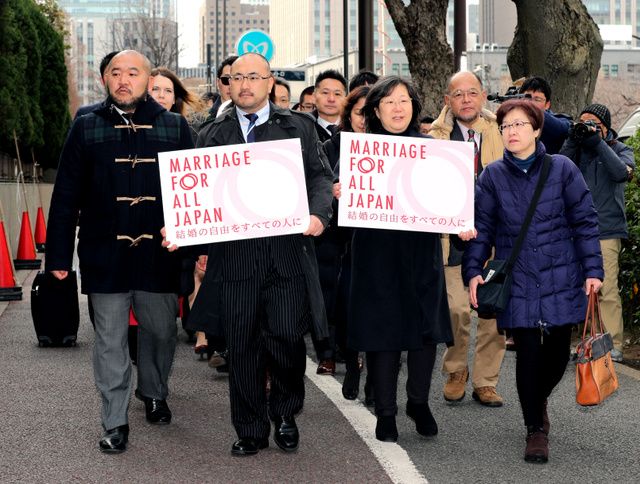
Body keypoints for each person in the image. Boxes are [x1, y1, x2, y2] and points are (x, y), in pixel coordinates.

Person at [171, 53, 334, 457]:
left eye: (253, 77)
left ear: (269, 82)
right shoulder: (212, 133)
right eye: (236, 77)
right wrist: (181, 230)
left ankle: (286, 412)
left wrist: (318, 215)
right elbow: (197, 193)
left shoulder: (297, 127)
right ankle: (249, 427)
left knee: (286, 340)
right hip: (236, 258)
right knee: (242, 344)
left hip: (286, 255)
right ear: (228, 83)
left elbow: (320, 177)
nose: (244, 84)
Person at [46, 50, 194, 454]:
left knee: (162, 331)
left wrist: (193, 241)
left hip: (159, 254)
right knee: (109, 339)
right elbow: (65, 196)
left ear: (149, 79)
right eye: (116, 73)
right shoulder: (86, 125)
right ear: (104, 80)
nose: (124, 79)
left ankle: (154, 389)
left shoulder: (174, 126)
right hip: (103, 253)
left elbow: (195, 190)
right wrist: (58, 259)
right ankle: (114, 420)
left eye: (133, 72)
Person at [462, 98, 603, 463]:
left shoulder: (563, 169)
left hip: (561, 272)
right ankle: (535, 430)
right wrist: (474, 271)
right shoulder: (492, 176)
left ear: (538, 130)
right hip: (518, 276)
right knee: (526, 351)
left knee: (557, 354)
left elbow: (584, 222)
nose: (512, 132)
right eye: (506, 126)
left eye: (521, 125)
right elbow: (482, 229)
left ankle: (537, 399)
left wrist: (593, 271)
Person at [345, 76, 453, 443]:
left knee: (426, 332)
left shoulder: (433, 150)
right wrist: (339, 192)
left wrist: (462, 218)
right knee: (383, 333)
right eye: (389, 102)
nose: (397, 108)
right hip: (375, 253)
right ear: (375, 110)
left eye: (404, 101)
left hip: (421, 252)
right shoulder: (360, 151)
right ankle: (386, 412)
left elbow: (450, 198)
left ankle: (418, 402)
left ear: (414, 107)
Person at [429, 71, 506, 407]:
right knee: (456, 309)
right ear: (448, 100)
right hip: (451, 237)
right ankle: (456, 370)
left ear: (483, 96)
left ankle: (486, 381)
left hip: (493, 235)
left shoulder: (502, 131)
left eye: (471, 93)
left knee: (491, 309)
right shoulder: (433, 138)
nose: (465, 100)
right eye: (457, 94)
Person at [560, 103, 635, 362]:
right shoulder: (576, 150)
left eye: (593, 123)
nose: (587, 127)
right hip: (575, 230)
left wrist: (598, 142)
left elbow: (619, 174)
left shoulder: (620, 149)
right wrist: (573, 138)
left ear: (605, 127)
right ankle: (587, 342)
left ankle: (613, 343)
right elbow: (558, 171)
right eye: (583, 122)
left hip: (607, 229)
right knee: (581, 287)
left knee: (607, 288)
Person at [321, 86, 369, 399]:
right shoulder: (330, 146)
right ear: (348, 114)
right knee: (343, 303)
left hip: (376, 239)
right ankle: (349, 362)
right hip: (338, 237)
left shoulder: (392, 146)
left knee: (371, 307)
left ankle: (374, 378)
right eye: (358, 112)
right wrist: (332, 189)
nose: (364, 119)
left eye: (369, 112)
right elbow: (317, 182)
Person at [519, 76, 572, 154]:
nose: (530, 103)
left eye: (537, 100)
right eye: (527, 98)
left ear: (547, 104)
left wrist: (534, 111)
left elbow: (563, 129)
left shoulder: (560, 121)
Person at [74, 51, 120, 118]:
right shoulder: (84, 116)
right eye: (115, 74)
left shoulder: (140, 116)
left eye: (131, 74)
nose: (123, 80)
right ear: (103, 81)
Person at [311, 70, 347, 142]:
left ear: (345, 99)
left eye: (337, 94)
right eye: (325, 92)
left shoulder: (354, 128)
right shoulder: (303, 127)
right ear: (314, 97)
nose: (331, 99)